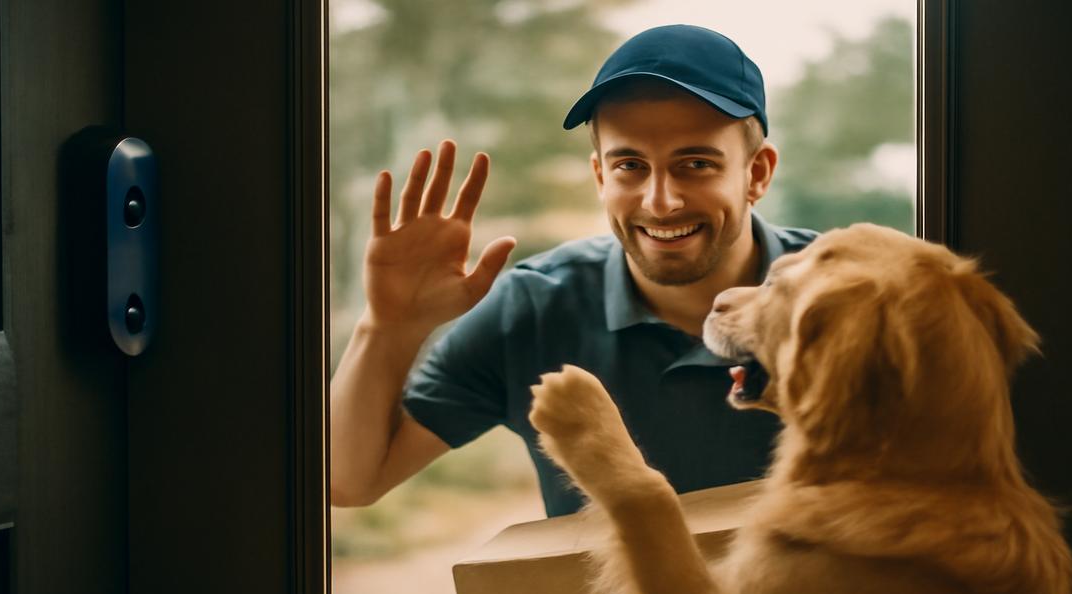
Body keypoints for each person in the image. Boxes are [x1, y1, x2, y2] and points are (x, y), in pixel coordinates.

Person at [330, 24, 818, 516]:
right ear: (601, 175)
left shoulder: (844, 294)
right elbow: (346, 483)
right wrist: (388, 327)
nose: (661, 201)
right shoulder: (533, 310)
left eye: (695, 164)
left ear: (757, 173)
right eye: (630, 165)